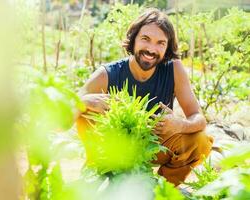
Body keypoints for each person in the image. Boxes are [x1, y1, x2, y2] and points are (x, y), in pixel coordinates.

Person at [76, 8, 213, 186]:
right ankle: (100, 173)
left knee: (200, 141)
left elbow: (199, 118)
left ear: (167, 48)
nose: (151, 49)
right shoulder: (107, 74)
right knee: (83, 111)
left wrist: (180, 124)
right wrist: (86, 101)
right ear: (133, 40)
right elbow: (68, 107)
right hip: (115, 148)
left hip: (155, 147)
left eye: (160, 43)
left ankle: (162, 189)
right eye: (145, 39)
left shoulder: (174, 69)